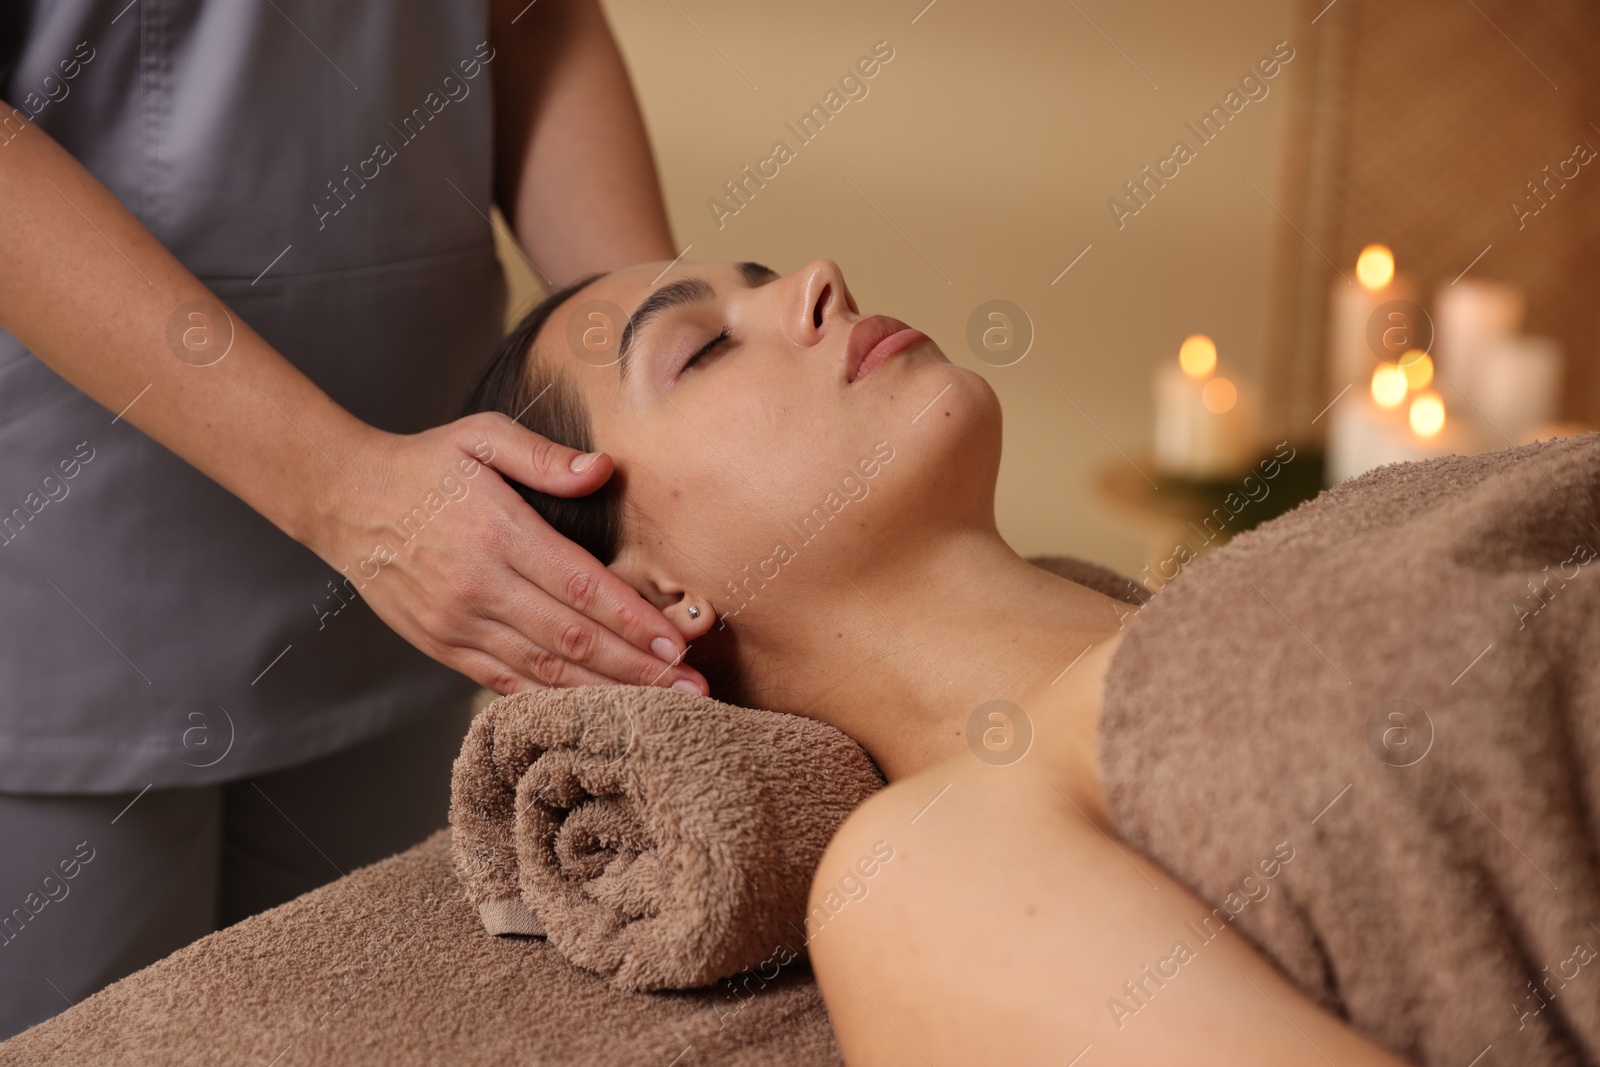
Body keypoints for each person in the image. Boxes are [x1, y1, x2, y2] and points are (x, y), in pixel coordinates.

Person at [460, 256, 1515, 1065]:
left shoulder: (1283, 571)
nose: (817, 276)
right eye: (700, 349)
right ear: (643, 595)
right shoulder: (919, 880)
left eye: (765, 274)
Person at [0, 0, 708, 1040]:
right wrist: (348, 493)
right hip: (78, 548)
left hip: (434, 558)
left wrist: (667, 395)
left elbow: (536, 22)